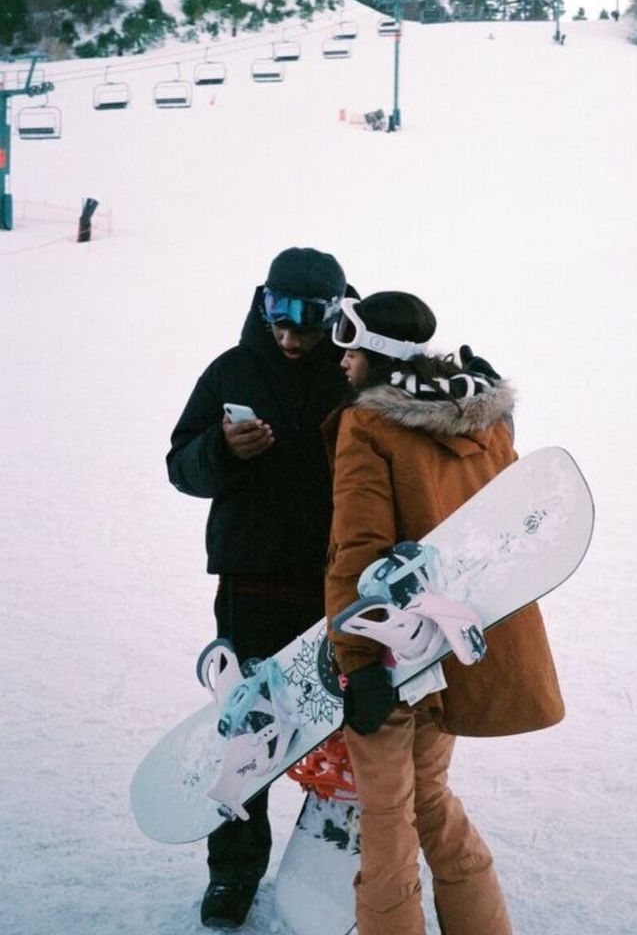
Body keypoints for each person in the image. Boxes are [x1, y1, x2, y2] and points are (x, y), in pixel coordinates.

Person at [323, 292, 566, 935]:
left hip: (390, 651)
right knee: (430, 798)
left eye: (350, 342)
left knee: (386, 818)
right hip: (452, 649)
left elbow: (359, 549)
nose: (342, 358)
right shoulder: (481, 422)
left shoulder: (368, 426)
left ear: (377, 350)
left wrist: (355, 662)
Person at [166, 247, 355, 930]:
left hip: (342, 584)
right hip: (253, 584)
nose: (289, 338)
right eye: (279, 318)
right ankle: (234, 875)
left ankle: (338, 868)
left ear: (335, 314)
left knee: (351, 739)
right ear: (264, 303)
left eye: (306, 322)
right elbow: (179, 466)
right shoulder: (232, 370)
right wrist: (219, 449)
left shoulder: (356, 368)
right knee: (247, 736)